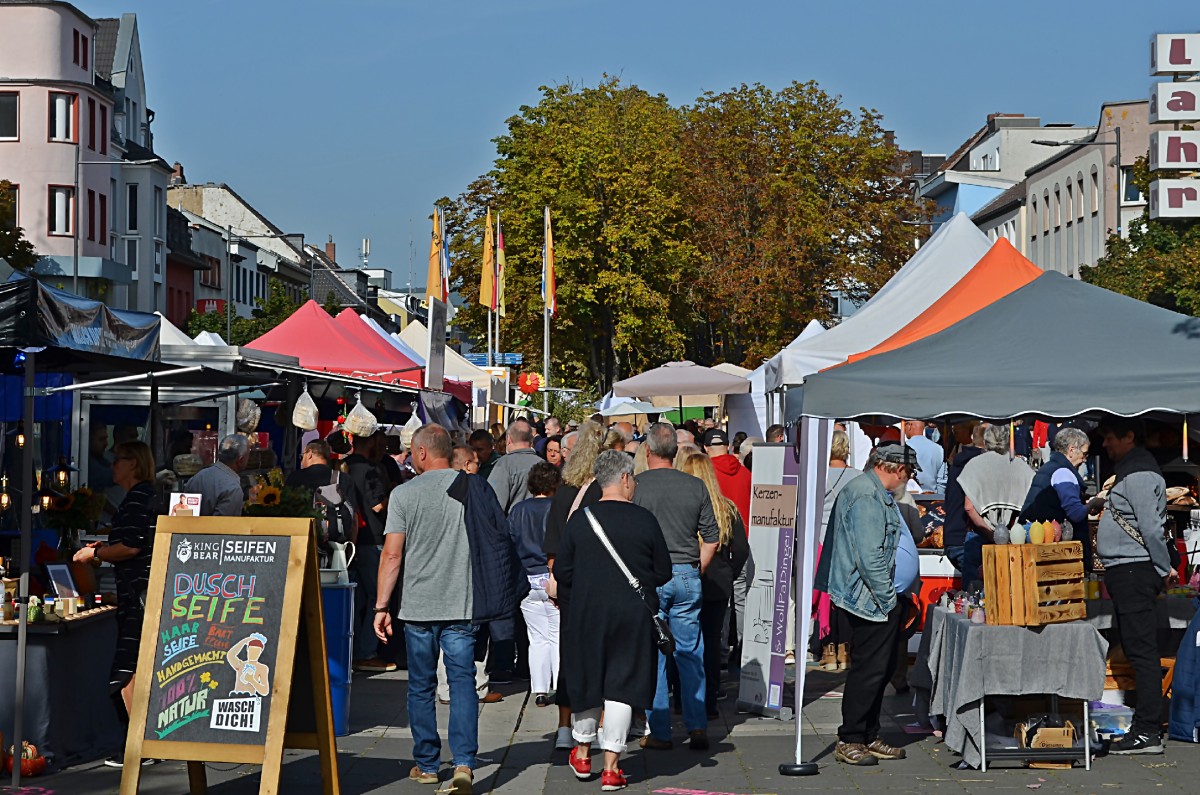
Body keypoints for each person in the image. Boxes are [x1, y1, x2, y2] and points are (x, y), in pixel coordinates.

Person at [374, 424, 521, 794]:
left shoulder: (404, 494)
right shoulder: (474, 486)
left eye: (411, 451)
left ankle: (426, 764)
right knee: (462, 685)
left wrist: (381, 606)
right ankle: (464, 763)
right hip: (463, 604)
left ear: (423, 452)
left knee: (421, 687)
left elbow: (392, 555)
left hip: (418, 607)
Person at [556, 450, 671, 792]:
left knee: (589, 681)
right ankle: (611, 767)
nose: (634, 483)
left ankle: (581, 750)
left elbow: (562, 571)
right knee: (623, 685)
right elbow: (662, 571)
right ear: (623, 478)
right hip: (632, 616)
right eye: (633, 478)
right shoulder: (645, 520)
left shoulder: (580, 519)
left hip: (587, 614)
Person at [814, 442, 919, 766]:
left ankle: (868, 733)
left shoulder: (872, 492)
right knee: (870, 669)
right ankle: (851, 737)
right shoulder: (865, 494)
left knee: (882, 667)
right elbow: (869, 556)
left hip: (878, 599)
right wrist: (888, 599)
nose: (908, 479)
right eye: (909, 472)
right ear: (897, 469)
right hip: (871, 600)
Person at [634, 422, 719, 751]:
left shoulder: (636, 486)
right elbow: (711, 538)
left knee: (655, 656)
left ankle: (660, 731)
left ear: (649, 450)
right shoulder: (695, 486)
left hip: (650, 578)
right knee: (689, 653)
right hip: (685, 573)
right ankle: (697, 725)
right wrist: (696, 569)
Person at [74, 440, 158, 768]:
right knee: (132, 668)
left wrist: (95, 553)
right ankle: (139, 743)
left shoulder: (138, 497)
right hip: (136, 593)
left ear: (133, 464)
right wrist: (106, 546)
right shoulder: (140, 497)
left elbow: (133, 546)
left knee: (127, 669)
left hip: (138, 595)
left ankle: (137, 747)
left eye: (118, 460)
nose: (112, 465)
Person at [1093, 418, 1172, 755]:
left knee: (1142, 652)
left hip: (1134, 572)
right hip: (1129, 571)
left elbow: (1151, 529)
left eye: (1111, 438)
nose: (1106, 445)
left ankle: (1147, 731)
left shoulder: (1138, 475)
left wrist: (1162, 567)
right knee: (1138, 649)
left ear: (1128, 437)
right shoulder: (1131, 471)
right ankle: (1145, 727)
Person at [542, 419, 606, 749]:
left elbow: (552, 545)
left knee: (569, 654)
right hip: (601, 582)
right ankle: (597, 725)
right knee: (601, 654)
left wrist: (555, 580)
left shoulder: (564, 491)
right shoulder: (605, 492)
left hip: (569, 583)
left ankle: (565, 727)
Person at [679, 452, 749, 717]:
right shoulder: (726, 507)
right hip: (717, 583)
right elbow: (741, 549)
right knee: (710, 641)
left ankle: (683, 698)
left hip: (685, 577)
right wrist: (727, 572)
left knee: (683, 641)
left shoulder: (681, 505)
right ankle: (709, 699)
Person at [343, 431, 396, 673]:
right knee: (377, 597)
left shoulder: (344, 466)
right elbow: (377, 504)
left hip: (351, 540)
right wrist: (394, 493)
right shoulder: (370, 469)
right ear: (373, 442)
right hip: (372, 537)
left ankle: (349, 649)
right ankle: (366, 652)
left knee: (358, 598)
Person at [510, 463, 562, 707]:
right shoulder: (559, 509)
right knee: (557, 637)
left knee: (537, 638)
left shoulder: (518, 511)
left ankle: (539, 689)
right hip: (553, 577)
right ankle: (560, 687)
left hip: (527, 578)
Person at [956, 424, 1034, 583]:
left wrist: (991, 534)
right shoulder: (1021, 466)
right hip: (1013, 537)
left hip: (979, 535)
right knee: (1010, 590)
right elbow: (1029, 504)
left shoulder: (974, 465)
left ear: (985, 441)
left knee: (974, 597)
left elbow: (969, 507)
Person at [814, 429, 862, 671]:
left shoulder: (816, 476)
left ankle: (828, 648)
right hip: (848, 539)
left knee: (825, 596)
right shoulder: (857, 476)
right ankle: (845, 648)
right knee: (845, 596)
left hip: (822, 540)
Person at [1021, 427, 1093, 568]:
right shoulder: (1063, 473)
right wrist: (1093, 504)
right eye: (1084, 454)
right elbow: (1076, 513)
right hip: (1055, 551)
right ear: (1071, 450)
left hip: (1039, 544)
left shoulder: (1049, 468)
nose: (1084, 460)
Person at [943, 422, 987, 577]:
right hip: (966, 538)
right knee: (977, 592)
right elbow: (969, 506)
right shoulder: (978, 466)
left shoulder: (958, 462)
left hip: (952, 536)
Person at [184, 434, 248, 516]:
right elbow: (223, 526)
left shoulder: (198, 476)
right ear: (241, 460)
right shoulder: (232, 489)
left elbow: (184, 517)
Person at [488, 419, 542, 514]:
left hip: (511, 525)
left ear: (508, 439)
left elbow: (493, 504)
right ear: (532, 440)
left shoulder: (504, 464)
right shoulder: (543, 464)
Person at [902, 420, 947, 493]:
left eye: (905, 426)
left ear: (909, 426)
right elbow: (942, 482)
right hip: (932, 499)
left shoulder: (902, 448)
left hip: (908, 498)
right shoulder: (939, 449)